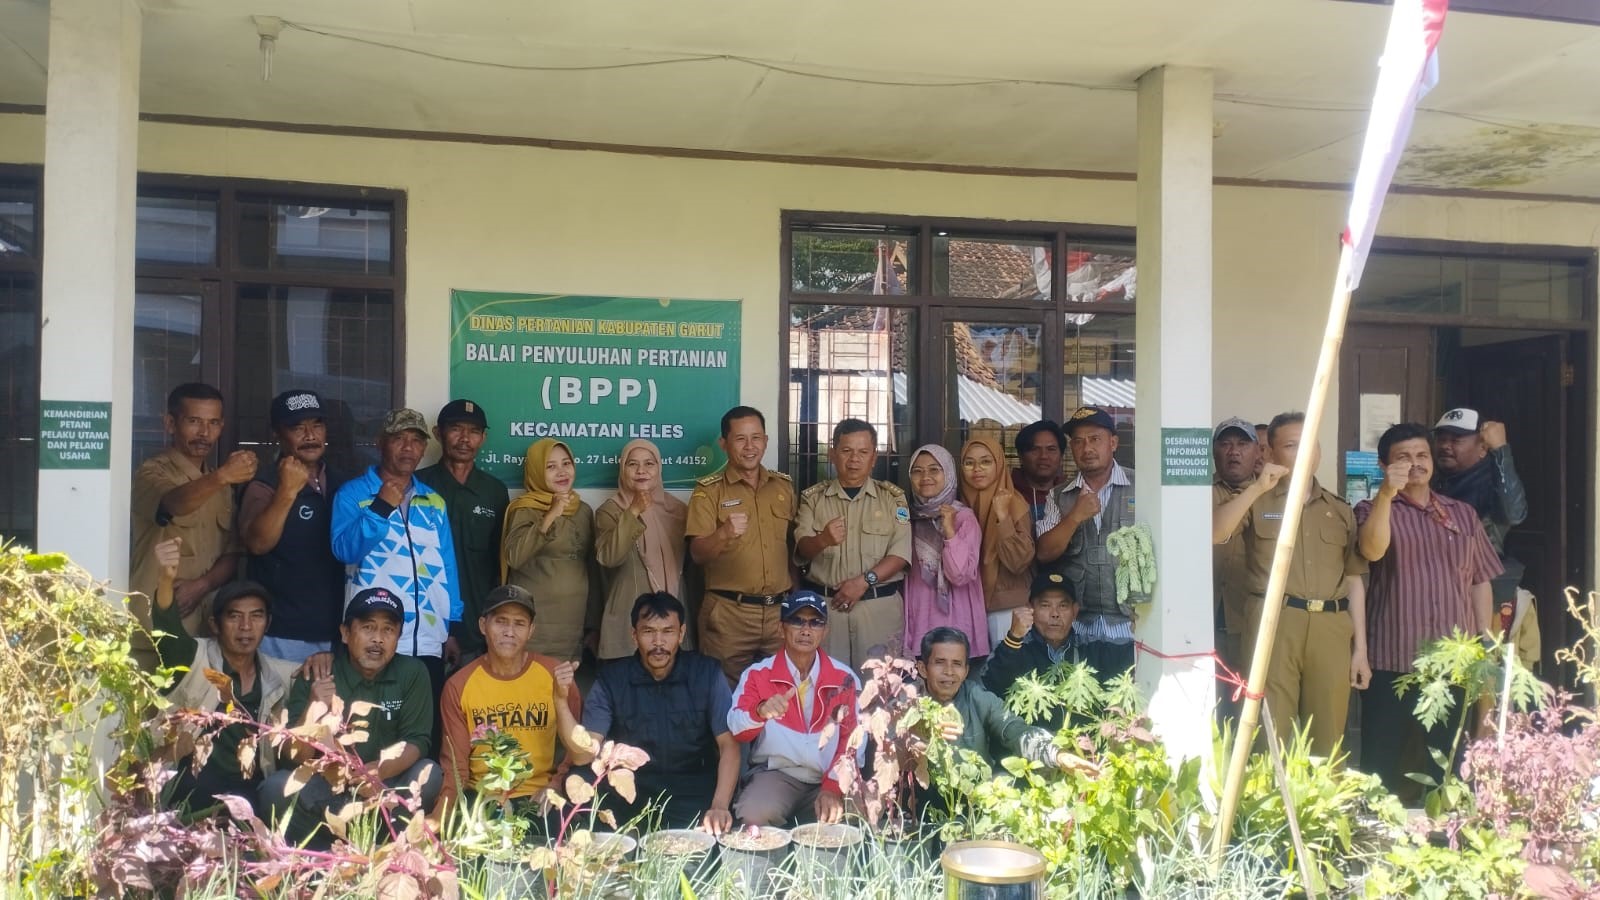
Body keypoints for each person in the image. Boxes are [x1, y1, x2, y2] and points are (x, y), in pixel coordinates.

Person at [1356, 423, 1501, 798]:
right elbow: (1371, 551)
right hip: (1393, 658)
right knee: (1382, 765)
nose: (1415, 464)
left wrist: (1483, 638)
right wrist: (1388, 494)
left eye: (1422, 455)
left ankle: (1444, 840)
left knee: (1448, 764)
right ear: (1383, 463)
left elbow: (1480, 579)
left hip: (1453, 662)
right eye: (1403, 457)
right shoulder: (1370, 509)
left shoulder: (1462, 514)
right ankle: (1379, 842)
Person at [1212, 413, 1370, 756]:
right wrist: (1256, 487)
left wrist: (1361, 649)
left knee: (1330, 735)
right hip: (1275, 621)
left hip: (1331, 626)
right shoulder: (1259, 500)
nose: (1303, 453)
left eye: (1310, 443)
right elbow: (1217, 532)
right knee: (1269, 729)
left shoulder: (1339, 509)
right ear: (1269, 453)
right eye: (1291, 445)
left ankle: (1322, 808)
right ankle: (1269, 805)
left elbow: (1354, 580)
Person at [261, 587, 442, 845]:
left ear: (398, 637)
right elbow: (292, 759)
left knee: (429, 772)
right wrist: (314, 708)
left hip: (384, 789)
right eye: (368, 627)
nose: (378, 639)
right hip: (328, 789)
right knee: (275, 787)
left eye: (388, 630)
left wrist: (378, 771)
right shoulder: (318, 672)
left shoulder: (412, 672)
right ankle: (320, 852)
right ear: (346, 633)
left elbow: (418, 741)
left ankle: (388, 847)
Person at [150, 537, 298, 817]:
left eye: (256, 616)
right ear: (214, 625)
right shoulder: (193, 657)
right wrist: (165, 580)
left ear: (267, 623)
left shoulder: (281, 673)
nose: (246, 626)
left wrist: (322, 659)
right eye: (234, 616)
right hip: (192, 784)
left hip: (249, 788)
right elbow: (166, 629)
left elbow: (323, 675)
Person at [330, 408, 462, 711]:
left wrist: (451, 626)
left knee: (423, 728)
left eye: (416, 441)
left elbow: (446, 566)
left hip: (427, 638)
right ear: (380, 443)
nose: (408, 448)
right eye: (399, 439)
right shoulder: (352, 494)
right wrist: (380, 507)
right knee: (371, 725)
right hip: (374, 637)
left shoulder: (433, 500)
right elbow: (344, 551)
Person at [582, 592, 738, 833]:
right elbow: (588, 748)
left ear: (682, 634)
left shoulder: (706, 674)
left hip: (693, 792)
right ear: (634, 635)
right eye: (648, 632)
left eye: (668, 631)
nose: (658, 642)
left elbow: (729, 745)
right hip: (630, 795)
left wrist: (719, 806)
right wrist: (561, 701)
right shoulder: (611, 680)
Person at [129, 383, 254, 662]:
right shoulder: (151, 472)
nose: (204, 433)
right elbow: (175, 503)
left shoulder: (220, 483)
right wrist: (223, 476)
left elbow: (232, 552)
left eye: (213, 423)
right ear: (170, 424)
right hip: (155, 632)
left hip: (207, 633)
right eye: (194, 421)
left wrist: (203, 585)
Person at [437, 585, 587, 814]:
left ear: (531, 630)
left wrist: (556, 786)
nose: (509, 631)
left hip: (540, 797)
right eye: (501, 621)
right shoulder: (459, 685)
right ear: (483, 626)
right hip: (483, 798)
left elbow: (577, 750)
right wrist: (441, 818)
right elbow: (455, 767)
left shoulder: (554, 675)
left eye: (519, 623)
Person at [727, 590, 859, 827]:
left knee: (862, 811)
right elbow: (737, 729)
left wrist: (832, 787)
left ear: (825, 631)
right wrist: (760, 712)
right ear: (780, 629)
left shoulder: (844, 678)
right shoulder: (758, 674)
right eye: (797, 621)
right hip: (777, 774)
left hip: (829, 777)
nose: (806, 629)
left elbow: (853, 741)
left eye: (815, 622)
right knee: (755, 814)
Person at [686, 406, 796, 684]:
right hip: (729, 615)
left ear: (766, 441)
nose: (750, 447)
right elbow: (697, 553)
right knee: (723, 698)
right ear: (724, 444)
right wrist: (723, 534)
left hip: (777, 614)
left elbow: (793, 549)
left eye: (756, 438)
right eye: (740, 439)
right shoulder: (708, 491)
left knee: (782, 693)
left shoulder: (783, 487)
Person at [794, 419, 912, 671]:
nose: (854, 459)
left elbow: (900, 554)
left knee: (880, 694)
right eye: (846, 451)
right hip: (827, 611)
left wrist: (863, 581)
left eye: (863, 452)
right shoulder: (813, 499)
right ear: (833, 454)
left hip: (877, 610)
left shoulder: (892, 499)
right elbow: (802, 548)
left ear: (874, 457)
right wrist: (823, 539)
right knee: (827, 690)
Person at [237, 389, 346, 663]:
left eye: (317, 425)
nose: (310, 435)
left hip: (336, 633)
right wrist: (287, 491)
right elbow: (258, 543)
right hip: (282, 634)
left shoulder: (341, 482)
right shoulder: (264, 484)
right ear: (277, 433)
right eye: (298, 427)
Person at [1034, 406, 1137, 677]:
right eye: (1078, 441)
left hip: (1133, 624)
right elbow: (1044, 553)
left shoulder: (1142, 485)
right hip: (1079, 627)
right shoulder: (1060, 495)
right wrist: (1074, 517)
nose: (1086, 447)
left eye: (1095, 439)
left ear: (1113, 442)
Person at [919, 627, 1095, 775]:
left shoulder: (975, 696)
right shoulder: (907, 702)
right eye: (940, 662)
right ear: (923, 669)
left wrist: (1057, 755)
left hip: (977, 799)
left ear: (966, 671)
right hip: (919, 804)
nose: (949, 671)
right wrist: (921, 732)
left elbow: (1015, 729)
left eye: (957, 663)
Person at [417, 399, 510, 670]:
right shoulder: (418, 485)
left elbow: (499, 565)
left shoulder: (493, 490)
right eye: (456, 429)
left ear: (483, 438)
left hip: (476, 626)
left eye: (473, 431)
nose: (464, 439)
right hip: (423, 623)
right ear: (438, 433)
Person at [502, 438, 597, 662]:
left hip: (572, 624)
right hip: (535, 624)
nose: (561, 472)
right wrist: (551, 515)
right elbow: (514, 557)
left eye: (566, 463)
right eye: (550, 466)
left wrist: (593, 625)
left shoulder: (583, 510)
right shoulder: (524, 509)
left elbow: (591, 568)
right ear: (536, 471)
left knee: (564, 690)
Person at [594, 440, 689, 661]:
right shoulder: (610, 511)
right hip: (628, 622)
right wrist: (633, 511)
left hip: (673, 621)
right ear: (622, 470)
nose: (641, 471)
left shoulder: (678, 511)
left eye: (649, 463)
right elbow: (609, 557)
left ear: (659, 468)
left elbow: (691, 568)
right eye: (632, 464)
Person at [980, 573, 1100, 731]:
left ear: (1075, 611)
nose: (1055, 613)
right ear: (1030, 609)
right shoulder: (1016, 646)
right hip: (1031, 747)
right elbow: (990, 684)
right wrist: (1014, 637)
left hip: (1083, 749)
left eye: (1063, 606)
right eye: (1045, 605)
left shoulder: (1093, 648)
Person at [901, 445, 987, 660]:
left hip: (955, 614)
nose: (925, 477)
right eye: (917, 471)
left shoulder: (964, 518)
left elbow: (959, 574)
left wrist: (949, 532)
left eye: (934, 470)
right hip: (919, 613)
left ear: (948, 473)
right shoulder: (908, 516)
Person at [960, 436, 1035, 649]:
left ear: (999, 465)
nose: (977, 469)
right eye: (969, 462)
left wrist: (1003, 517)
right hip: (966, 608)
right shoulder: (956, 503)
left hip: (1007, 610)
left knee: (1006, 675)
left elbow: (1018, 561)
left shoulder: (1015, 503)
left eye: (986, 461)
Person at [1211, 416, 1261, 709]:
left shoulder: (1272, 497)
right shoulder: (1195, 493)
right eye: (1226, 444)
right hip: (1207, 618)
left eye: (1242, 444)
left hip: (1251, 617)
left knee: (1251, 702)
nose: (1234, 451)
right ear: (1214, 452)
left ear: (1258, 452)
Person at [1010, 420, 1067, 529]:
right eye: (1035, 449)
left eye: (1051, 449)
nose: (1044, 456)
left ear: (1061, 457)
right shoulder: (1007, 495)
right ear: (1020, 457)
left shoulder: (1070, 495)